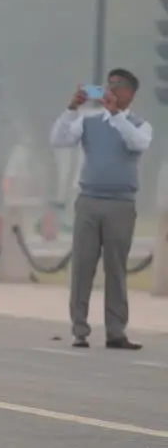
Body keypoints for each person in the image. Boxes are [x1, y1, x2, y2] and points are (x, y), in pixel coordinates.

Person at [49, 68, 152, 350]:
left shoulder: (140, 125)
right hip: (89, 201)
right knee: (82, 266)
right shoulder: (88, 122)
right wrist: (72, 108)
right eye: (108, 86)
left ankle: (115, 331)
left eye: (118, 87)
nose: (111, 91)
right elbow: (59, 139)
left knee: (115, 269)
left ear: (130, 94)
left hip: (121, 204)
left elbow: (137, 143)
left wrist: (117, 115)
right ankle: (79, 329)